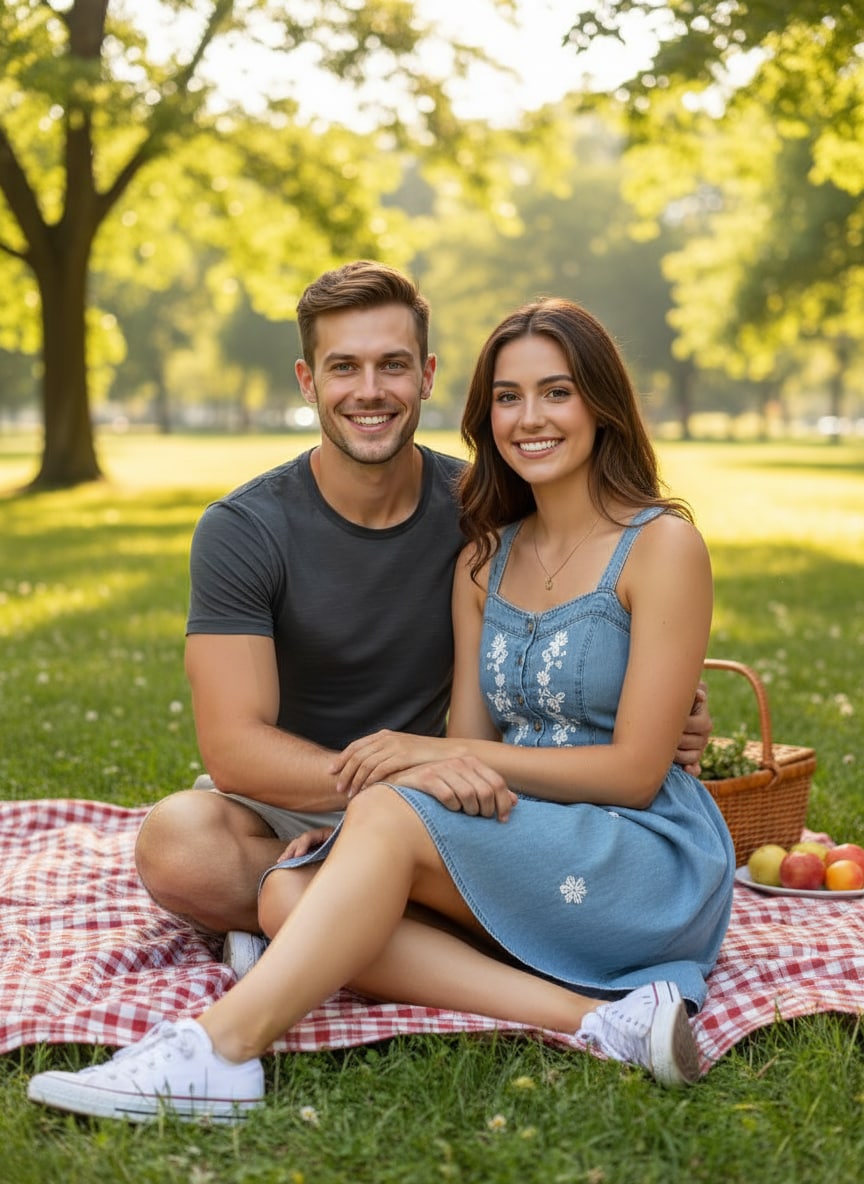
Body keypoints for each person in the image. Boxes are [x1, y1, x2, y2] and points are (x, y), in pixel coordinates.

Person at [28, 294, 735, 1123]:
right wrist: (384, 806)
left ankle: (219, 1050)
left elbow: (628, 769)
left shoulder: (644, 541)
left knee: (383, 822)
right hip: (495, 819)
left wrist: (421, 766)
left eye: (557, 392)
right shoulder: (485, 553)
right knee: (287, 896)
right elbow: (455, 746)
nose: (530, 418)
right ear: (309, 380)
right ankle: (602, 1021)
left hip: (639, 854)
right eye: (508, 397)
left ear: (601, 405)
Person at [130, 261, 711, 973]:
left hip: (459, 797)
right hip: (313, 792)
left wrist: (675, 713)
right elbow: (233, 749)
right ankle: (373, 909)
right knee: (178, 844)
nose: (369, 390)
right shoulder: (244, 529)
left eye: (393, 365)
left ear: (427, 375)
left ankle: (326, 920)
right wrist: (397, 781)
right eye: (344, 367)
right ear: (308, 381)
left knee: (334, 870)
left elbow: (591, 602)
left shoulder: (487, 513)